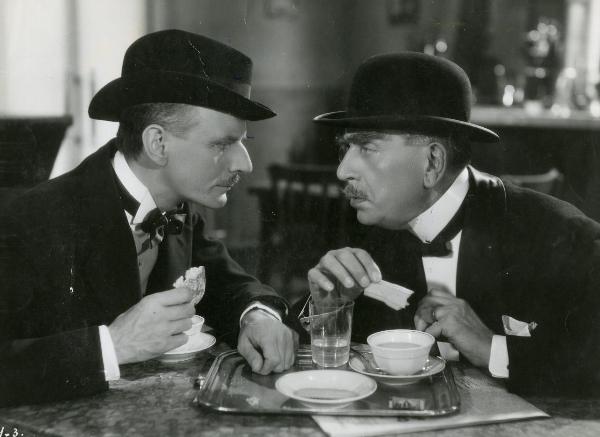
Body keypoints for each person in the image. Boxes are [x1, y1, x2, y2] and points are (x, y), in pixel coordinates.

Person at [0, 29, 297, 407]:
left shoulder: (177, 209)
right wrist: (112, 345)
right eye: (222, 144)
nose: (245, 163)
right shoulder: (33, 220)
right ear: (158, 144)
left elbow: (227, 284)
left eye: (242, 142)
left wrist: (256, 316)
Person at [307, 52, 600, 396]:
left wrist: (492, 348)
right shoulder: (365, 226)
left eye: (367, 147)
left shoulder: (558, 235)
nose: (343, 170)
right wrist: (329, 308)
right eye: (345, 147)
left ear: (432, 162)